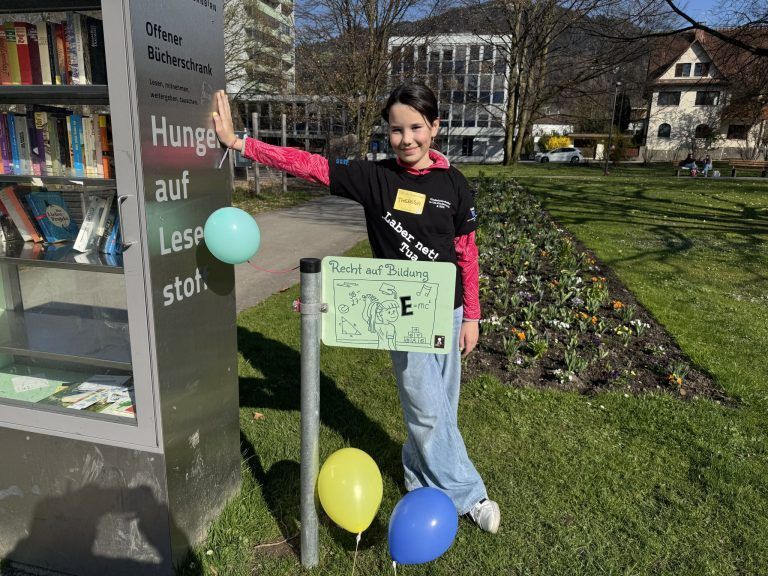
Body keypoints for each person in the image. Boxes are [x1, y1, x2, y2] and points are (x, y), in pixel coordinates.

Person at [212, 83, 500, 534]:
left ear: (435, 127)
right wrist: (240, 143)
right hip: (402, 314)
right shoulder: (375, 178)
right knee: (425, 407)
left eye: (416, 128)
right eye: (396, 130)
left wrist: (473, 316)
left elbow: (467, 253)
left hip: (449, 312)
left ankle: (418, 476)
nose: (406, 139)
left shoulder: (455, 185)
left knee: (442, 404)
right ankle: (469, 494)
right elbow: (308, 164)